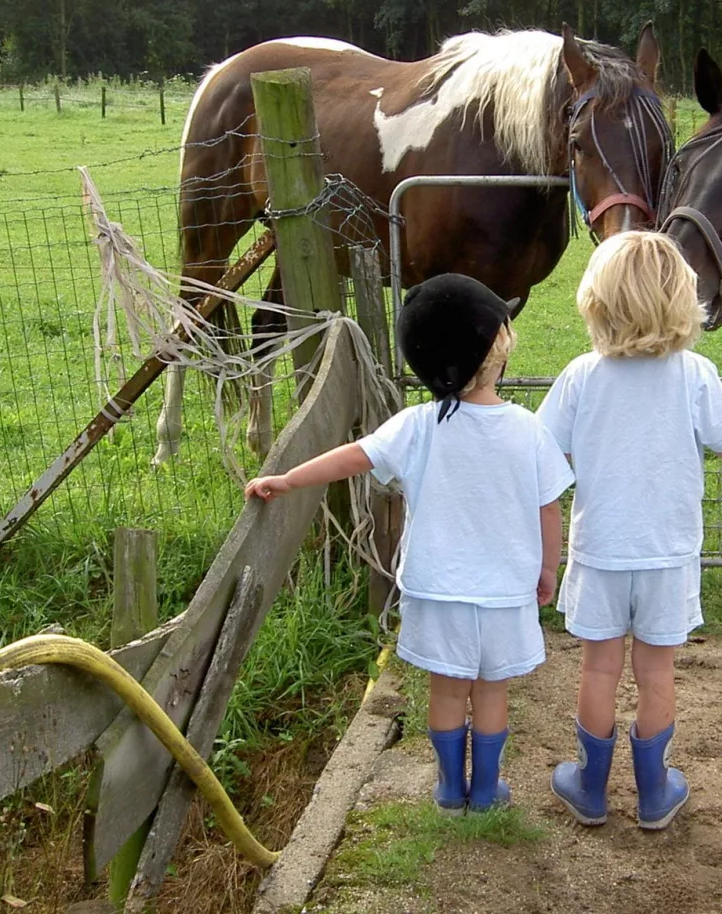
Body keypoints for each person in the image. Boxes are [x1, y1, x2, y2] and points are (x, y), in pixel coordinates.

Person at [245, 273, 573, 814]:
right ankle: (487, 792)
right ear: (498, 351)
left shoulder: (417, 425)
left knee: (447, 691)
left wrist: (286, 479)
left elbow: (354, 456)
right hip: (504, 593)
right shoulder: (529, 430)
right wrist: (547, 571)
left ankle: (449, 789)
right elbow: (549, 508)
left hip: (437, 590)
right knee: (491, 691)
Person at [537, 232, 722, 830]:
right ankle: (655, 792)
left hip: (602, 551)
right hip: (668, 554)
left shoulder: (581, 376)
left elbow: (542, 454)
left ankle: (590, 787)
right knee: (657, 673)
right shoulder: (697, 375)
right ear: (684, 300)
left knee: (599, 669)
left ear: (596, 303)